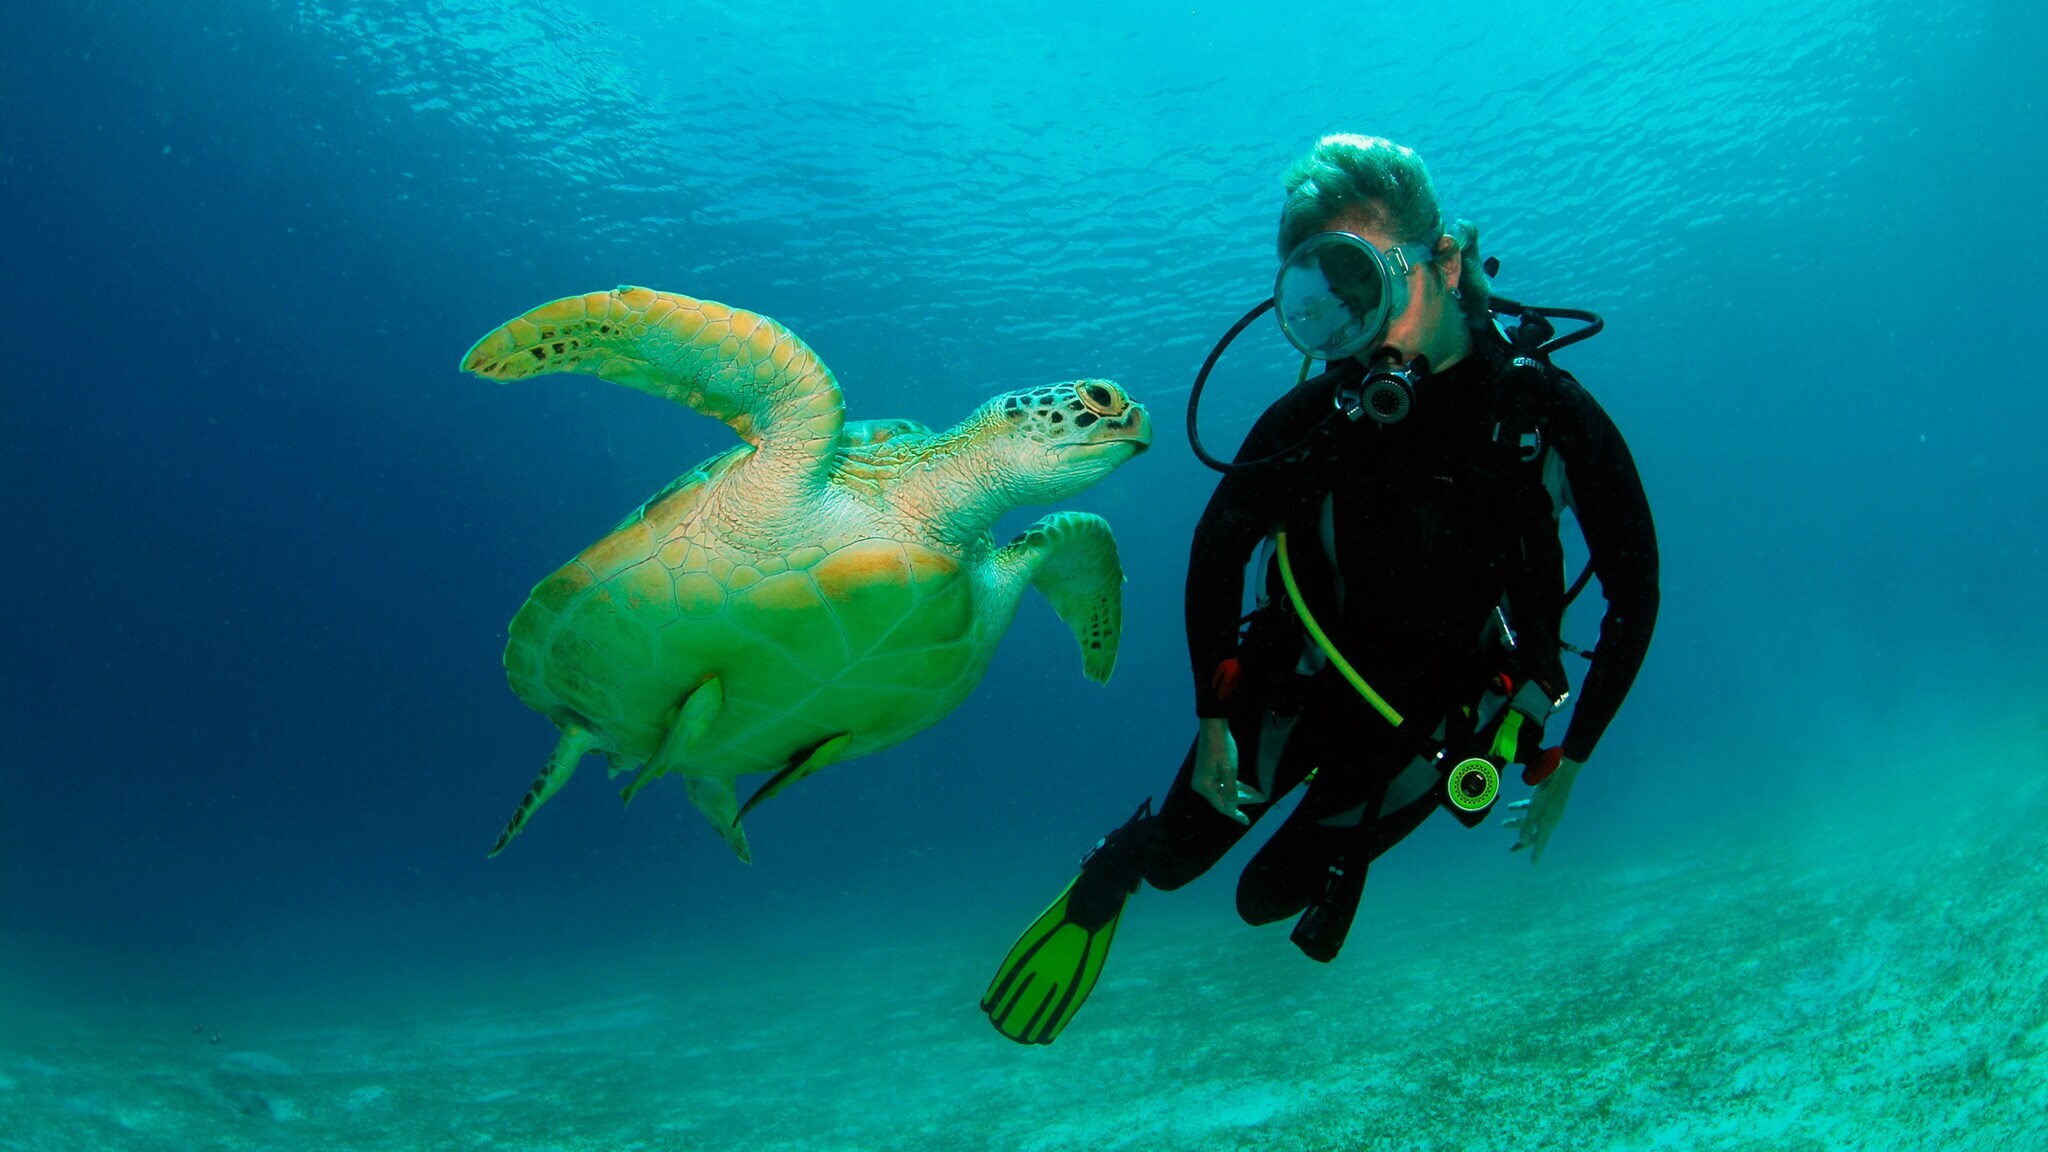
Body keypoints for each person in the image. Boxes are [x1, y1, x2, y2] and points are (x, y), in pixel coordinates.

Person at [982, 134, 1660, 1045]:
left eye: (1369, 285)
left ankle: (1343, 844)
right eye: (1330, 301)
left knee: (1268, 900)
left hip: (1431, 723)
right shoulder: (1318, 419)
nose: (1359, 330)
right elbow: (1216, 550)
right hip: (1293, 678)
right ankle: (1112, 870)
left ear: (1444, 261)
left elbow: (1635, 590)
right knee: (1176, 864)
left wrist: (1570, 758)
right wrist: (1212, 719)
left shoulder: (1541, 413)